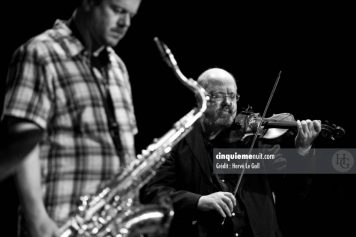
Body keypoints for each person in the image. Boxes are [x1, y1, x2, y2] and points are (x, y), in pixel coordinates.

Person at [1, 0, 142, 236]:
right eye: (117, 11)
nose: (125, 23)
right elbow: (22, 146)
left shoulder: (118, 67)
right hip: (61, 225)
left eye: (131, 16)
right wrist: (37, 219)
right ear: (88, 2)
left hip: (110, 226)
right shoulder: (40, 52)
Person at [140, 68, 321, 237]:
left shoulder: (254, 140)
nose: (228, 103)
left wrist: (302, 153)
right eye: (218, 96)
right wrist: (199, 201)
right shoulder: (179, 142)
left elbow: (292, 193)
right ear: (199, 98)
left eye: (233, 96)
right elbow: (153, 192)